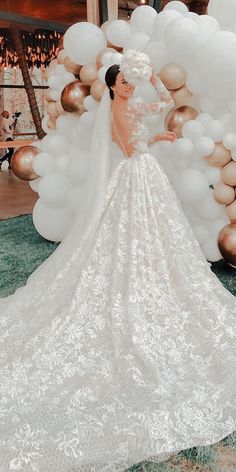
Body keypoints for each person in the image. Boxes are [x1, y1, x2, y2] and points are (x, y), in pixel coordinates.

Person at [0, 51, 235, 472]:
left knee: (162, 235)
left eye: (130, 80)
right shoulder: (117, 113)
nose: (129, 86)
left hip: (146, 171)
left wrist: (154, 78)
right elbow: (130, 146)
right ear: (111, 86)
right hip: (135, 174)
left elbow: (161, 106)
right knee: (130, 233)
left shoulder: (133, 102)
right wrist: (153, 140)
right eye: (124, 81)